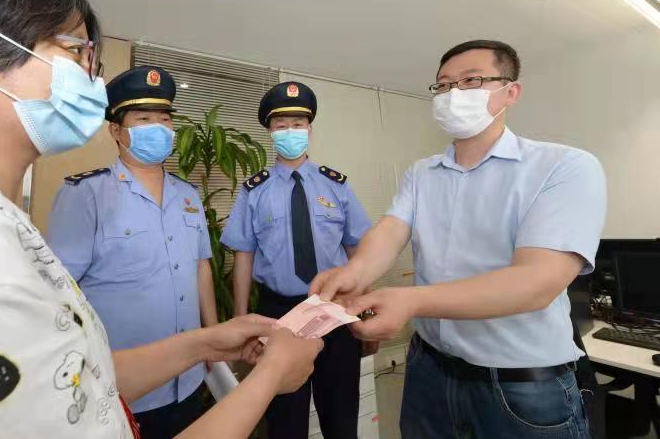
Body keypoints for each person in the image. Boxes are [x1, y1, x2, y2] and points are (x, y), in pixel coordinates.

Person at [0, 0, 323, 439]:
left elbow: (70, 383)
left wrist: (204, 343)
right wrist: (271, 378)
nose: (89, 80)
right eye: (74, 50)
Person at [311, 40, 607, 439]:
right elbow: (391, 229)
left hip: (521, 385)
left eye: (471, 81)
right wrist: (355, 272)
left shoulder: (564, 167)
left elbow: (537, 282)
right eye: (444, 85)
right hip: (429, 371)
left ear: (510, 91)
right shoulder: (422, 173)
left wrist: (411, 301)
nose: (453, 94)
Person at [47, 65, 218, 438]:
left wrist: (213, 337)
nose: (158, 128)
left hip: (189, 378)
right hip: (124, 388)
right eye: (144, 119)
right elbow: (59, 290)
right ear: (116, 130)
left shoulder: (188, 195)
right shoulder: (86, 194)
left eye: (165, 119)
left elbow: (201, 268)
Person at [221, 81, 372, 439]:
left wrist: (364, 310)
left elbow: (358, 252)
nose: (291, 131)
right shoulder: (254, 191)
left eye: (298, 124)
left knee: (341, 418)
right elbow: (244, 257)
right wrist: (243, 321)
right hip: (278, 314)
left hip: (335, 310)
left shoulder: (336, 185)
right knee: (285, 422)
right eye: (282, 125)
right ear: (270, 133)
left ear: (310, 129)